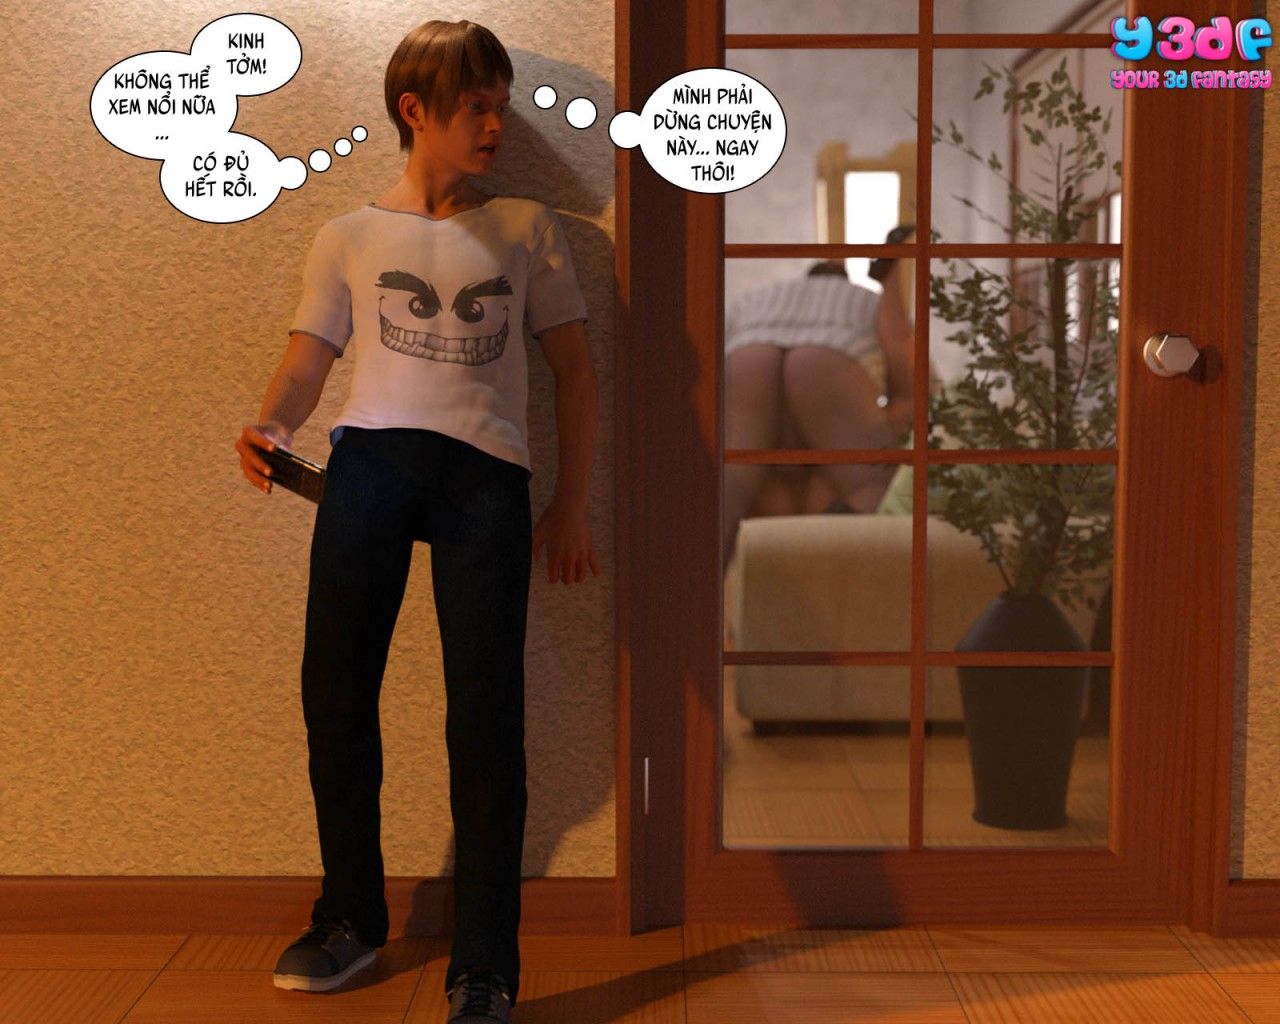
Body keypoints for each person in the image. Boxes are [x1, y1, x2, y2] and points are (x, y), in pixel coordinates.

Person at [233, 19, 598, 1022]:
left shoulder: (526, 225)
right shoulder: (347, 235)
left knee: (485, 717)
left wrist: (571, 501)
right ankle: (349, 917)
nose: (496, 125)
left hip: (487, 478)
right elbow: (307, 359)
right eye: (476, 106)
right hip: (368, 468)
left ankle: (484, 965)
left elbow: (575, 371)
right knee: (334, 693)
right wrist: (272, 425)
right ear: (414, 110)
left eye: (501, 105)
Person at [722, 248, 916, 573]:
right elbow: (908, 370)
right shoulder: (866, 299)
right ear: (846, 281)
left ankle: (699, 593)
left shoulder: (757, 298)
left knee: (730, 494)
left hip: (751, 353)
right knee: (872, 487)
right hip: (826, 358)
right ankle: (829, 565)